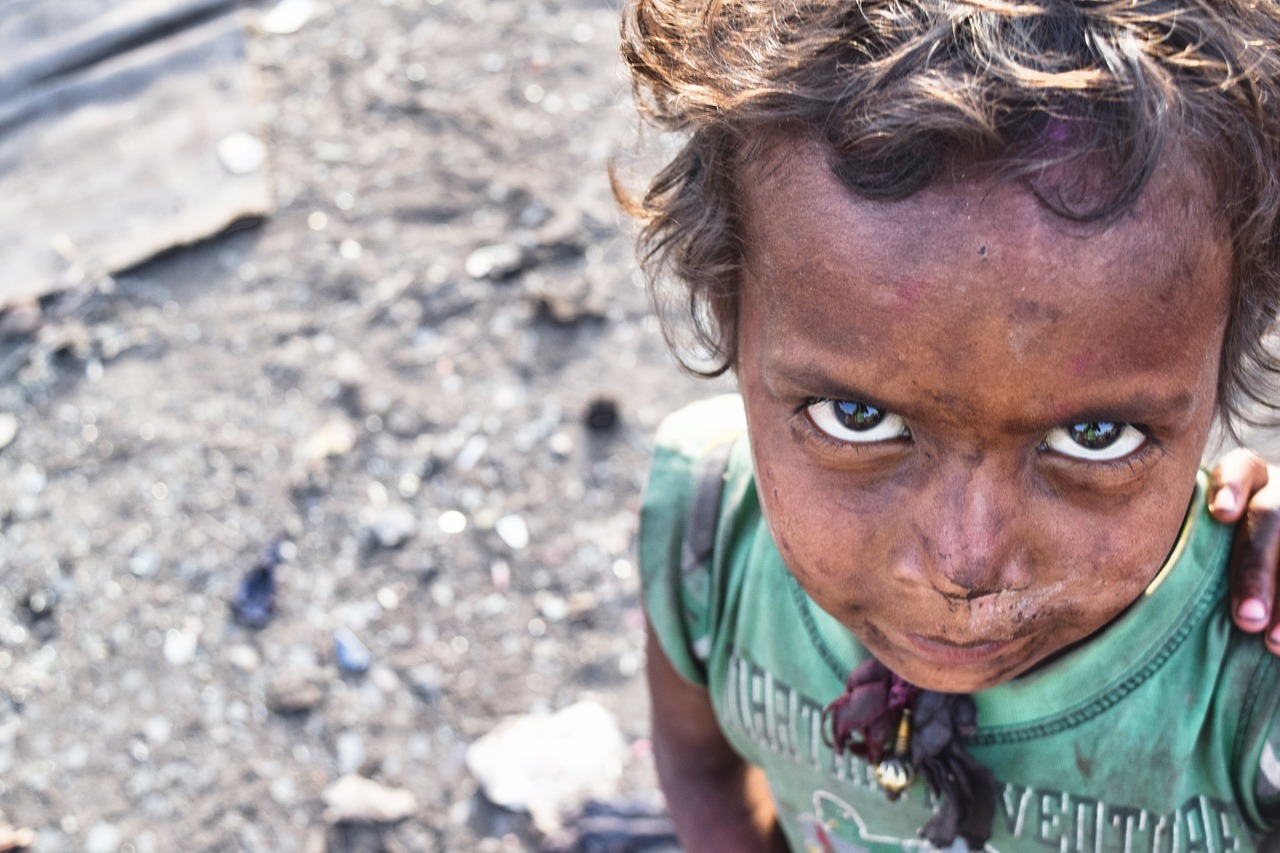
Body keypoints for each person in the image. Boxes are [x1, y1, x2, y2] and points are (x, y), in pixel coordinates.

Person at [618, 1, 1280, 850]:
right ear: (733, 326)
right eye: (856, 418)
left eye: (1095, 437)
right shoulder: (707, 540)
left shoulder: (1248, 693)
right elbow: (701, 765)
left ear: (1217, 373)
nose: (965, 565)